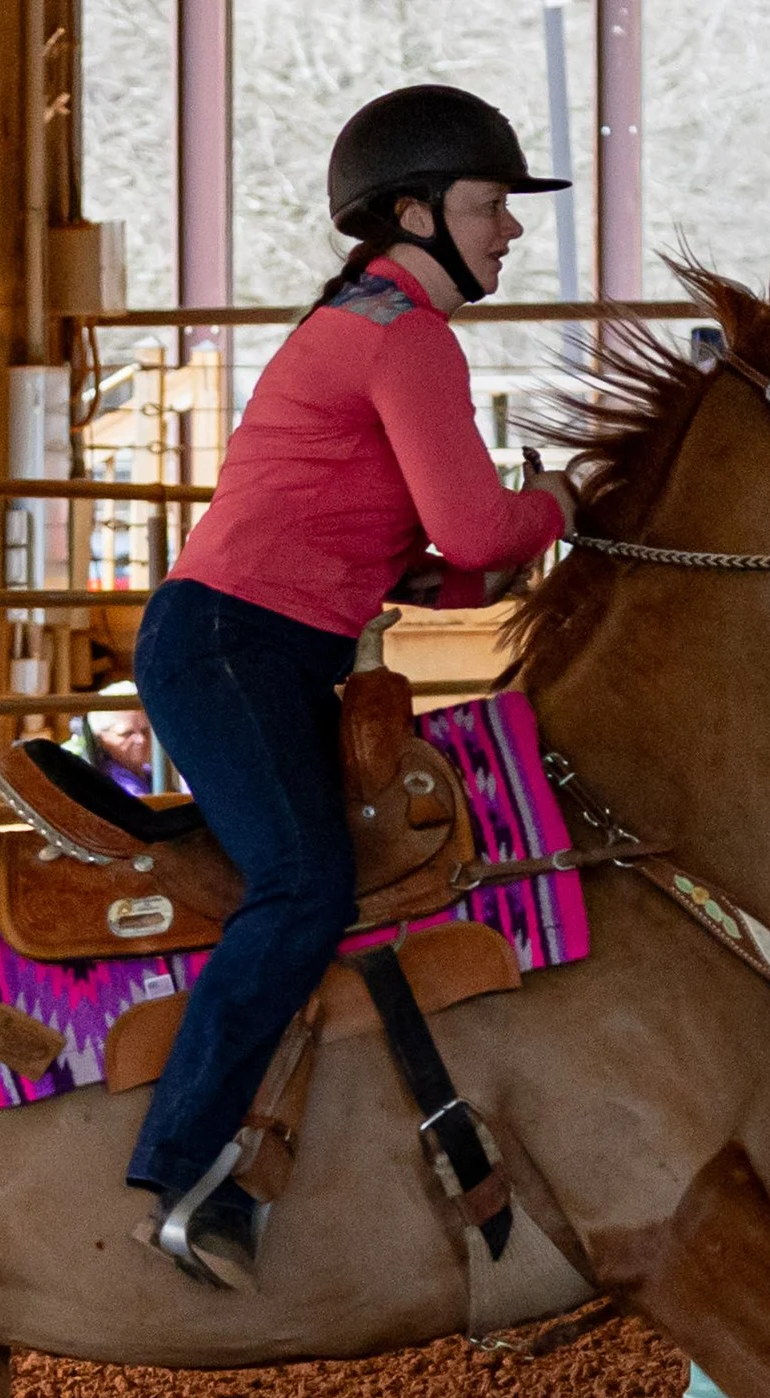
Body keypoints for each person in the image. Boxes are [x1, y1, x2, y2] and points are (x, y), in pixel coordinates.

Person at [122, 85, 573, 1290]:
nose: (509, 232)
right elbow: (478, 521)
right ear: (416, 212)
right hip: (237, 646)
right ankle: (180, 1171)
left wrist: (481, 556)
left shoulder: (366, 324)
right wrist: (563, 508)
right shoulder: (404, 336)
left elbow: (432, 553)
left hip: (248, 641)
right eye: (492, 207)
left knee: (320, 874)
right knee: (304, 882)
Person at [78, 681, 154, 797]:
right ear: (101, 739)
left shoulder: (147, 772)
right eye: (127, 733)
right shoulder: (116, 786)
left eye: (145, 730)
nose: (141, 739)